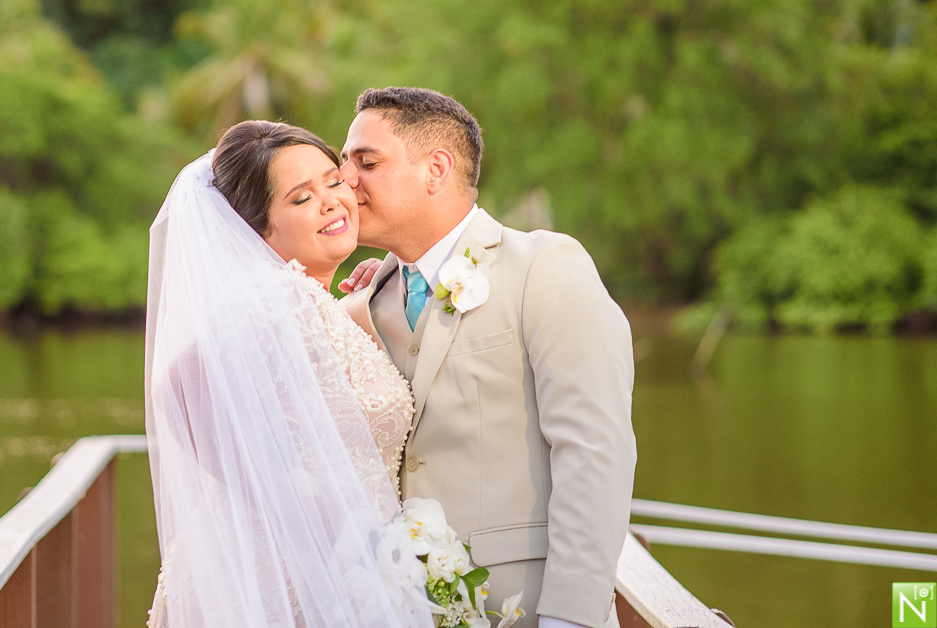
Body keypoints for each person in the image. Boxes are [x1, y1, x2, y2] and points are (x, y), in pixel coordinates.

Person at [339, 87, 637, 628]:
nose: (345, 180)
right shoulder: (365, 302)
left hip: (523, 609)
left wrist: (570, 618)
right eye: (344, 162)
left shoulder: (543, 268)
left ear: (436, 170)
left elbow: (595, 451)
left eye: (367, 162)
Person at [144, 121, 431, 628]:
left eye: (333, 181)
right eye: (301, 198)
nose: (330, 202)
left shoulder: (313, 303)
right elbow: (178, 387)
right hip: (282, 578)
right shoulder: (274, 299)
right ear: (256, 230)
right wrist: (295, 506)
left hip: (337, 569)